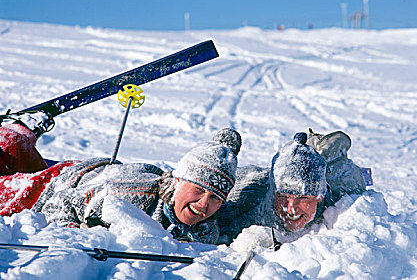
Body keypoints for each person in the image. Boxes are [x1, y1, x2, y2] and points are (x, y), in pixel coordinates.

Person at [0, 111, 241, 244]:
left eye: (215, 198)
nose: (203, 205)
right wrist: (74, 232)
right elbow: (61, 202)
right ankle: (16, 131)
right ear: (177, 181)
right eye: (198, 190)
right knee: (8, 158)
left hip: (95, 176)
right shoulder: (132, 195)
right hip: (58, 184)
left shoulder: (205, 229)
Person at [217, 131, 367, 247]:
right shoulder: (250, 204)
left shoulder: (342, 190)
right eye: (282, 196)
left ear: (320, 196)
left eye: (303, 198)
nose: (291, 209)